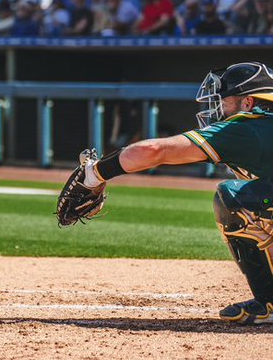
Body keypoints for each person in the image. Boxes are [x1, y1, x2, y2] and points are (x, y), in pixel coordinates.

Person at [68, 62, 273, 324]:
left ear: (247, 103)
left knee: (234, 198)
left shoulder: (247, 127)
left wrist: (96, 173)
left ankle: (268, 302)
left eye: (224, 101)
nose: (218, 108)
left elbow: (155, 151)